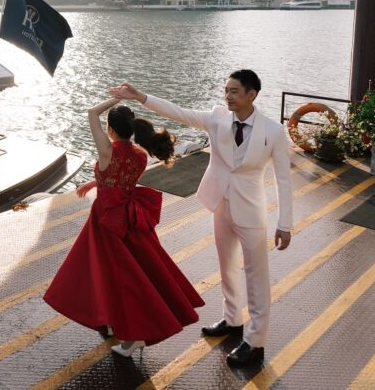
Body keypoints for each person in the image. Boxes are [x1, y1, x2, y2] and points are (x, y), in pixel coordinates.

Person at [110, 69, 292, 367]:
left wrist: (285, 224)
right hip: (220, 204)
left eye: (234, 91)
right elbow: (179, 112)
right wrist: (140, 97)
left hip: (251, 211)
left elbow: (284, 180)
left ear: (251, 94)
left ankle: (255, 341)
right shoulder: (217, 117)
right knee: (227, 267)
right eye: (226, 90)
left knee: (256, 277)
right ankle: (232, 320)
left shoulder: (273, 131)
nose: (228, 96)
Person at [43, 98, 204, 356]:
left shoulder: (107, 151)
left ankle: (133, 337)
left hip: (106, 220)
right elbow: (121, 181)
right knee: (125, 271)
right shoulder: (139, 155)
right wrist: (94, 183)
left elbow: (91, 112)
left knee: (120, 275)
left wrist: (116, 98)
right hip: (127, 216)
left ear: (110, 130)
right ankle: (109, 323)